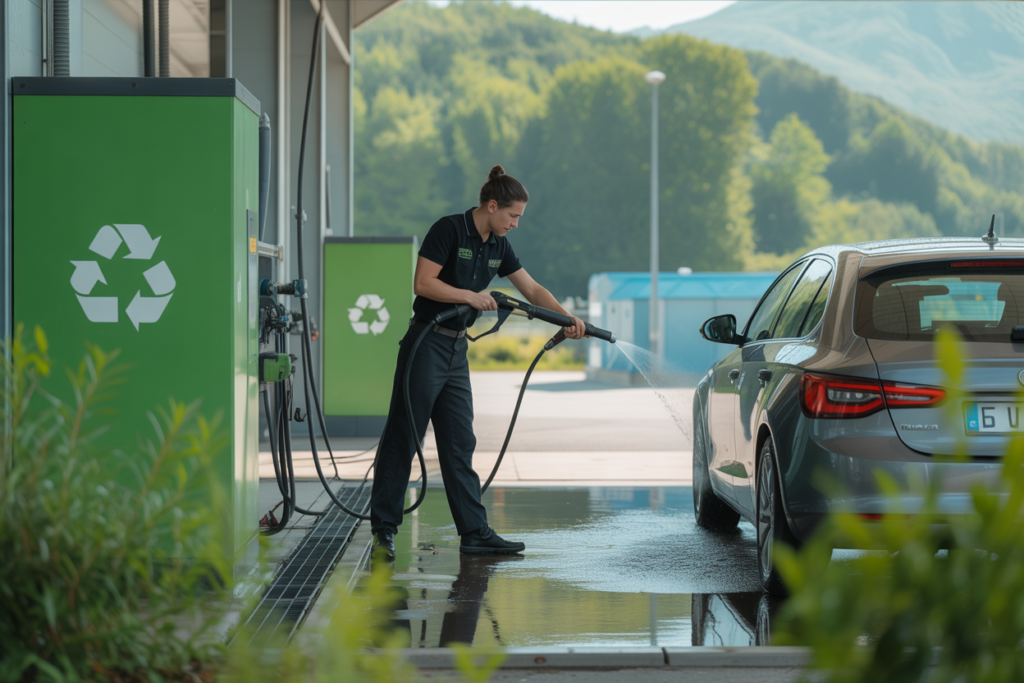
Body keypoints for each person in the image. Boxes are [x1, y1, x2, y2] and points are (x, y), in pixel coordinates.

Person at [370, 165, 585, 560]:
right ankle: (384, 530)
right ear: (491, 205)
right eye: (512, 216)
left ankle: (474, 532)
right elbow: (423, 283)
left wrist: (567, 318)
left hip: (455, 352)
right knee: (405, 436)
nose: (515, 224)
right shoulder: (449, 230)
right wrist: (469, 296)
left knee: (459, 442)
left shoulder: (497, 246)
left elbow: (532, 288)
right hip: (425, 343)